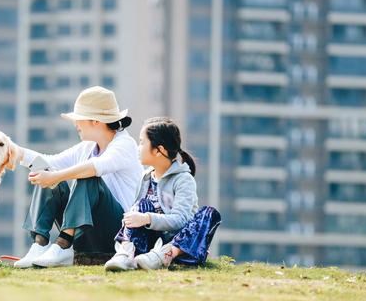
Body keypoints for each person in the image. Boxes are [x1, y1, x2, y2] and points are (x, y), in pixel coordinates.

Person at [12, 86, 143, 268]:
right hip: (86, 228)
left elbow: (95, 167)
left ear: (95, 121)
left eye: (78, 119)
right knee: (48, 171)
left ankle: (64, 244)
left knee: (87, 176)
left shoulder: (124, 145)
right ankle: (40, 244)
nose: (75, 124)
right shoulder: (88, 147)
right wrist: (11, 150)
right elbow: (50, 162)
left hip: (118, 234)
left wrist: (55, 176)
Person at [104, 117, 221, 271]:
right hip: (149, 245)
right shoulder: (145, 177)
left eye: (142, 142)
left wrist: (147, 218)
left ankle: (164, 255)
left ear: (159, 150)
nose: (138, 148)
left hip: (178, 245)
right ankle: (125, 254)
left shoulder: (183, 180)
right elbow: (136, 215)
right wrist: (136, 217)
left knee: (209, 213)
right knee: (139, 206)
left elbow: (180, 220)